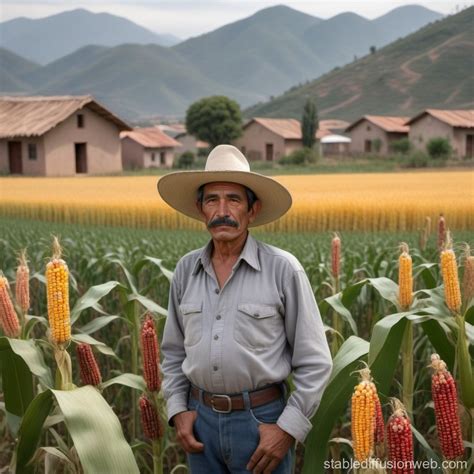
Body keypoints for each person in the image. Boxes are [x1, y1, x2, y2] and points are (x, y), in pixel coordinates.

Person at [158, 145, 332, 474]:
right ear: (200, 209)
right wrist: (178, 409)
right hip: (200, 424)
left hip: (262, 422)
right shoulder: (185, 271)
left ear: (252, 210)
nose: (222, 210)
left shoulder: (283, 270)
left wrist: (286, 429)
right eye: (212, 200)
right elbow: (172, 352)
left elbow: (315, 361)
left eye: (234, 200)